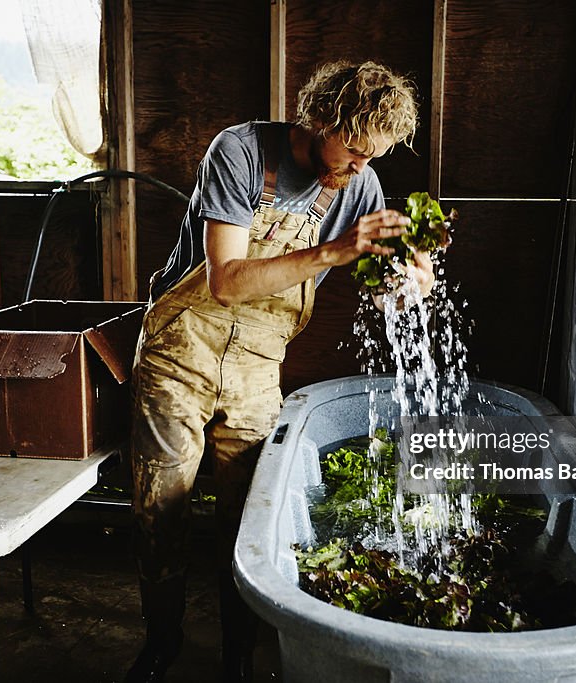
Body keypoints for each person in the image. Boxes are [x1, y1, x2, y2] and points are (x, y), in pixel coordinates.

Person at [125, 60, 431, 683]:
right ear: (321, 120)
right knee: (162, 509)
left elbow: (379, 289)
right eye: (353, 150)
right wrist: (333, 251)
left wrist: (405, 283)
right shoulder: (240, 153)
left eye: (375, 156)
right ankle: (161, 644)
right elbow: (227, 280)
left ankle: (239, 652)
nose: (361, 168)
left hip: (259, 366)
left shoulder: (359, 185)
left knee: (250, 518)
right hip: (180, 351)